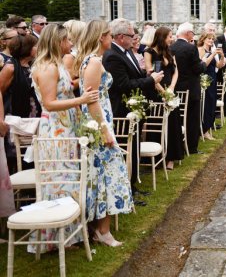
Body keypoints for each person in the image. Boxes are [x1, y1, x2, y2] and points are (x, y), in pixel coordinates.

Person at [30, 24, 99, 252]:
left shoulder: (58, 64)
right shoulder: (48, 67)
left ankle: (69, 235)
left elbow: (65, 90)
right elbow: (49, 103)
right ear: (57, 42)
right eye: (67, 40)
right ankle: (53, 239)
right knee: (59, 180)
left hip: (66, 127)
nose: (71, 44)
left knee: (70, 178)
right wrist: (82, 100)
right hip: (56, 131)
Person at [75, 20, 133, 247]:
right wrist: (105, 130)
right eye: (109, 35)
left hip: (101, 121)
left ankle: (100, 228)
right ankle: (103, 231)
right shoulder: (94, 62)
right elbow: (92, 102)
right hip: (98, 125)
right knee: (106, 176)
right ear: (102, 37)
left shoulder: (92, 61)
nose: (111, 38)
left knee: (103, 175)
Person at [103, 18, 163, 205]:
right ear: (120, 37)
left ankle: (133, 185)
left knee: (135, 146)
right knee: (127, 149)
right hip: (123, 109)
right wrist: (151, 80)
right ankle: (127, 187)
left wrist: (147, 76)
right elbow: (123, 85)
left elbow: (134, 76)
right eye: (131, 35)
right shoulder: (112, 55)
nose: (134, 38)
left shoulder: (127, 51)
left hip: (134, 108)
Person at [144, 26, 184, 170]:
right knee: (157, 123)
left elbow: (175, 72)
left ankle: (171, 157)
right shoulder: (148, 52)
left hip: (170, 91)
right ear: (162, 37)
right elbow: (150, 75)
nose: (172, 39)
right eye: (169, 36)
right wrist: (163, 93)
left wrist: (171, 89)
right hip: (156, 92)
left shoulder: (170, 51)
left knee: (173, 124)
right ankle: (156, 158)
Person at [171, 22, 206, 153]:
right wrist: (203, 64)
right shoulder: (191, 48)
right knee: (192, 118)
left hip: (176, 87)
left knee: (178, 118)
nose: (193, 35)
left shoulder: (171, 47)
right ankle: (191, 147)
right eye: (192, 32)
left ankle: (179, 144)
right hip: (191, 88)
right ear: (188, 33)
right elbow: (197, 68)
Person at [0, 34, 40, 118]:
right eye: (36, 46)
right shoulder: (11, 68)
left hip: (33, 114)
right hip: (15, 116)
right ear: (27, 48)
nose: (39, 48)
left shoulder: (33, 65)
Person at [197, 32, 225, 140]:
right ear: (203, 39)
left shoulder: (211, 50)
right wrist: (213, 54)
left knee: (212, 104)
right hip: (205, 80)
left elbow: (219, 65)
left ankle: (207, 128)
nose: (211, 41)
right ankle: (203, 130)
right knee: (206, 105)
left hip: (213, 79)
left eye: (212, 39)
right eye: (209, 38)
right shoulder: (200, 50)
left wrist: (221, 55)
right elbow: (203, 66)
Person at [62, 19, 87, 93]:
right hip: (77, 97)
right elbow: (66, 86)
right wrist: (89, 77)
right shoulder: (70, 56)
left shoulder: (82, 52)